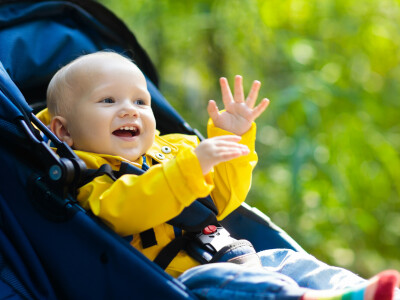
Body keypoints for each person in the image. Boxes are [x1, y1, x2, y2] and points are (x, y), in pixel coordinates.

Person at [37, 51, 399, 300]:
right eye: (108, 101)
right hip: (182, 284)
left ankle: (361, 292)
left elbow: (223, 199)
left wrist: (232, 139)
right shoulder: (89, 180)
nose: (129, 111)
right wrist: (191, 168)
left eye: (140, 102)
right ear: (64, 131)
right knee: (219, 284)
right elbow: (126, 210)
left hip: (236, 256)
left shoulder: (174, 149)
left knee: (288, 261)